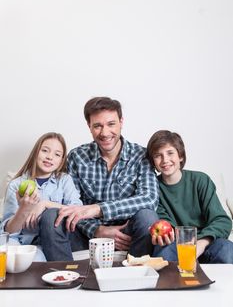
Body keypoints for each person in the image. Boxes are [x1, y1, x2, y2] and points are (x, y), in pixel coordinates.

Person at [39, 97, 159, 261]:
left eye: (111, 124)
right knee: (51, 216)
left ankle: (134, 274)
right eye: (97, 126)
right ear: (89, 127)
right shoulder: (76, 157)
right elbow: (70, 206)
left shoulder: (142, 156)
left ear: (121, 122)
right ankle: (66, 277)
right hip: (85, 236)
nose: (105, 133)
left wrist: (98, 209)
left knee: (148, 217)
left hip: (127, 236)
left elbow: (149, 199)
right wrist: (97, 230)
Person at [146, 130, 233, 263]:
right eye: (158, 155)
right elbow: (165, 224)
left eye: (170, 153)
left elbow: (222, 220)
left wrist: (201, 242)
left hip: (206, 243)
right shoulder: (152, 187)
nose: (165, 160)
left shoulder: (201, 180)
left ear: (180, 156)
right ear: (153, 161)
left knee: (226, 249)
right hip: (175, 244)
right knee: (165, 253)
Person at [1, 132, 82, 261]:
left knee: (37, 257)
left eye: (57, 154)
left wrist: (45, 204)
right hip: (23, 242)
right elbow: (9, 232)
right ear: (36, 152)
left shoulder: (64, 180)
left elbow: (77, 209)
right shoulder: (16, 185)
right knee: (18, 256)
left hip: (52, 243)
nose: (50, 157)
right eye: (45, 151)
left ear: (61, 161)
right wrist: (24, 209)